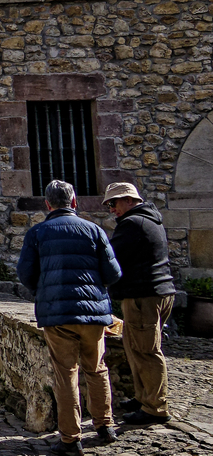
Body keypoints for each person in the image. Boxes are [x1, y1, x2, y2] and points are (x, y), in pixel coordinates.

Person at [17, 180, 123, 454]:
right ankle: (104, 425)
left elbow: (25, 274)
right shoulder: (94, 230)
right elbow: (113, 274)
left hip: (58, 315)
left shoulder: (37, 233)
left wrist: (45, 290)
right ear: (74, 202)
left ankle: (70, 438)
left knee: (66, 375)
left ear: (48, 205)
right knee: (97, 368)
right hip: (94, 314)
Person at [103, 181, 176, 425]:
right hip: (158, 291)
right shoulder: (152, 219)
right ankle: (143, 396)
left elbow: (111, 257)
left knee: (146, 350)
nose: (112, 209)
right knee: (135, 347)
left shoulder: (132, 223)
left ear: (128, 200)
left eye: (113, 203)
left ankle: (155, 407)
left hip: (144, 295)